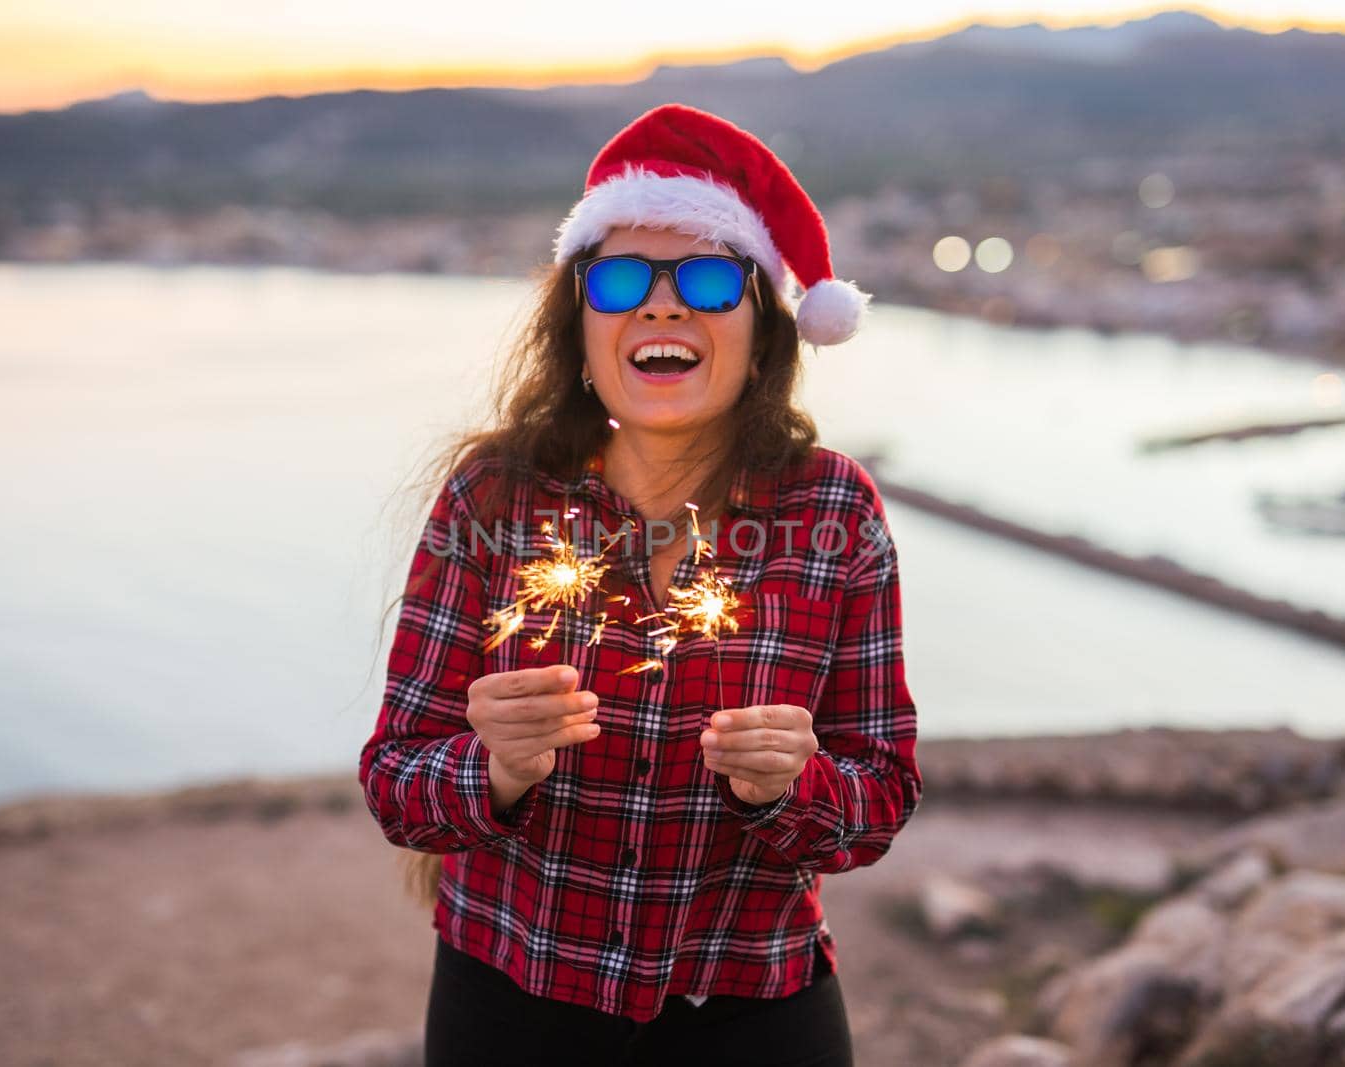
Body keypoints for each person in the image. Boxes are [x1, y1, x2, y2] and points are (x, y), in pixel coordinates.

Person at [358, 103, 922, 1066]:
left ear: (763, 331)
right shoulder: (492, 497)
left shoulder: (835, 513)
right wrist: (495, 770)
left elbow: (881, 796)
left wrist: (790, 787)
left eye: (706, 276)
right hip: (510, 1004)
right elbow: (396, 783)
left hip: (755, 1015)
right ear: (581, 328)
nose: (662, 307)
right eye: (620, 279)